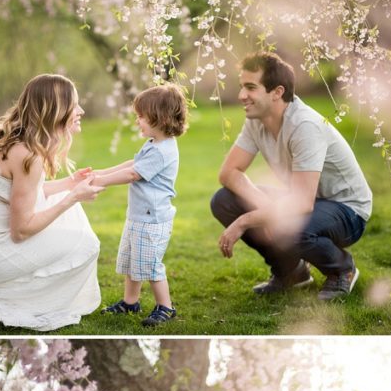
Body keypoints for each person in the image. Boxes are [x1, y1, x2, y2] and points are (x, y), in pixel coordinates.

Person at [0, 74, 103, 332]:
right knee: (86, 244)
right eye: (75, 104)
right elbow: (21, 231)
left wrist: (69, 184)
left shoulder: (11, 140)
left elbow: (25, 194)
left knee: (67, 207)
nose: (81, 110)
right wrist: (74, 197)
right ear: (56, 108)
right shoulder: (28, 154)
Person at [210, 51, 372, 301]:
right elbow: (229, 173)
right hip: (305, 200)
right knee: (223, 200)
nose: (242, 95)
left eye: (251, 87)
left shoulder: (304, 126)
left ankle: (342, 269)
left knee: (290, 225)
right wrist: (266, 207)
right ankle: (291, 272)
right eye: (242, 87)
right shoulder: (256, 120)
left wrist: (245, 221)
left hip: (348, 211)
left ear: (277, 92)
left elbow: (302, 203)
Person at [94, 83, 188, 327]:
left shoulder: (162, 151)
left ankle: (166, 307)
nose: (137, 121)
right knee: (131, 261)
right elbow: (132, 163)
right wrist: (102, 172)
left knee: (151, 265)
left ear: (160, 118)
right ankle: (130, 302)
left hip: (152, 219)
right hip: (139, 217)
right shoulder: (154, 143)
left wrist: (102, 181)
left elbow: (133, 174)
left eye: (141, 117)